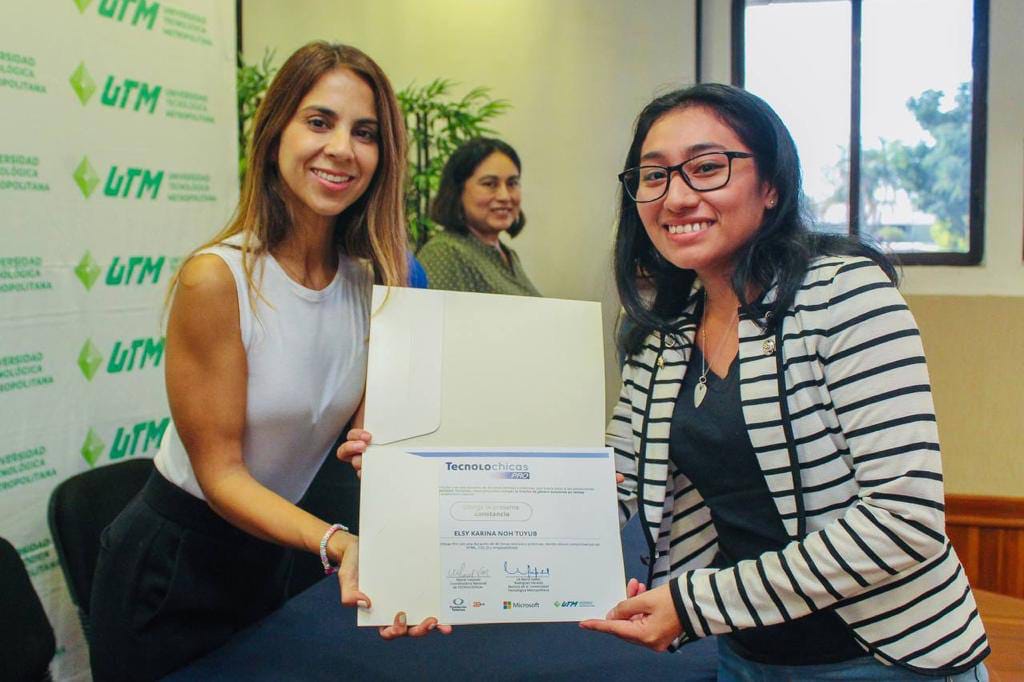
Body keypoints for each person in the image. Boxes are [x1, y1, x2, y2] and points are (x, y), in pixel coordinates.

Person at [579, 84, 990, 680]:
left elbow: (905, 520)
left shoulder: (845, 293)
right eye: (653, 176)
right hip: (747, 656)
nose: (675, 196)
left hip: (886, 657)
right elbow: (613, 488)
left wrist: (696, 605)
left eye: (707, 167)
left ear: (771, 186)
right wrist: (448, 565)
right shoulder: (659, 333)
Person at [89, 42, 446, 682]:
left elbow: (375, 444)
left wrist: (434, 544)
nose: (342, 148)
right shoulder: (217, 278)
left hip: (272, 559)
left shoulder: (373, 285)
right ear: (275, 129)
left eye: (365, 133)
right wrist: (341, 544)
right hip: (172, 566)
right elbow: (222, 476)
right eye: (319, 121)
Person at [417, 137, 541, 296]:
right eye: (490, 184)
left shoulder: (508, 254)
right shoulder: (445, 253)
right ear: (458, 191)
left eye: (512, 183)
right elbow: (434, 319)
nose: (504, 196)